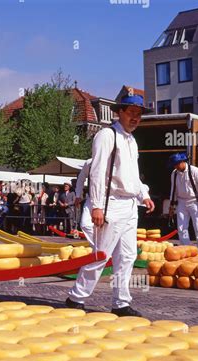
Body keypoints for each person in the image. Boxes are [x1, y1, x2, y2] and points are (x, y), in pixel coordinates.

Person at [66, 91, 155, 316]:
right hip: (111, 204)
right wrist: (96, 205)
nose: (135, 118)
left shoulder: (132, 141)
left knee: (127, 256)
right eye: (131, 113)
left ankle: (121, 302)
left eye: (139, 114)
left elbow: (133, 175)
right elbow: (97, 172)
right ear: (120, 113)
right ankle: (76, 297)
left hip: (130, 205)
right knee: (101, 255)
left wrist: (143, 194)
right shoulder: (107, 135)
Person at [168, 152, 198, 253]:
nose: (175, 166)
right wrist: (171, 206)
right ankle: (186, 249)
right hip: (181, 202)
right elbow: (173, 190)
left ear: (182, 162)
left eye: (177, 164)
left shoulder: (195, 171)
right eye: (174, 164)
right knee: (182, 228)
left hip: (195, 201)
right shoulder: (174, 173)